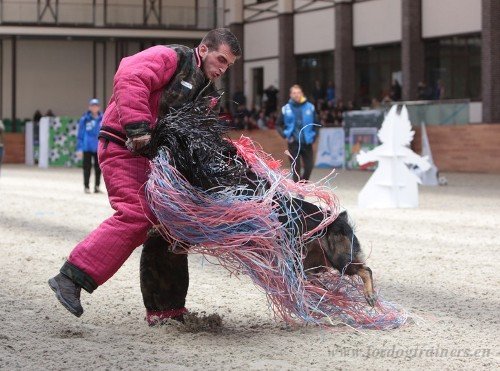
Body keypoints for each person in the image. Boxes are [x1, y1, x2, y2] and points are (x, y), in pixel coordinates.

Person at [48, 28, 241, 321]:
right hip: (123, 145)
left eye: (228, 65)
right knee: (138, 214)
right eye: (221, 59)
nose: (222, 69)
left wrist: (224, 153)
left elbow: (200, 134)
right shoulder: (171, 57)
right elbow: (130, 74)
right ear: (203, 50)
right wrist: (138, 127)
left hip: (154, 159)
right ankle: (72, 277)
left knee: (172, 225)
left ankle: (166, 309)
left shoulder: (208, 95)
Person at [276, 84, 319, 182]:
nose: (296, 95)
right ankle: (299, 191)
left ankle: (302, 186)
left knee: (309, 167)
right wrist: (284, 135)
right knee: (296, 168)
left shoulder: (310, 107)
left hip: (307, 142)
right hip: (293, 142)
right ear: (290, 95)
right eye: (294, 93)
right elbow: (278, 124)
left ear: (302, 94)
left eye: (298, 93)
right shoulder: (285, 108)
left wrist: (314, 137)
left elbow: (317, 124)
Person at [76, 98, 103, 194]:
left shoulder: (102, 118)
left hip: (98, 147)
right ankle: (86, 187)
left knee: (98, 168)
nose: (94, 107)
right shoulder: (84, 119)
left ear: (99, 107)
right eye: (92, 105)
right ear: (89, 107)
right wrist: (79, 148)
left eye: (96, 105)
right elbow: (80, 134)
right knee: (86, 167)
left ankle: (97, 187)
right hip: (87, 146)